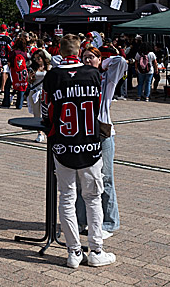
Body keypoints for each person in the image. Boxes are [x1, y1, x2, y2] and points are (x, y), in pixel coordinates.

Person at [41, 36, 116, 268]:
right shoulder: (92, 74)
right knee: (92, 198)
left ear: (60, 52)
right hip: (89, 144)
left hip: (63, 144)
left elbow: (45, 110)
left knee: (67, 197)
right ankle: (96, 250)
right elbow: (99, 106)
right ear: (79, 51)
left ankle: (73, 252)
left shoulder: (53, 76)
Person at [76, 47, 121, 238]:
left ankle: (109, 223)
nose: (87, 60)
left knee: (106, 178)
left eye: (91, 57)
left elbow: (120, 62)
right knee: (82, 178)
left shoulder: (106, 79)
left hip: (103, 131)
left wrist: (101, 64)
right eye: (84, 57)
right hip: (83, 132)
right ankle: (81, 220)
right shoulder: (79, 77)